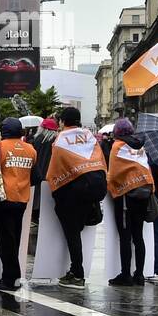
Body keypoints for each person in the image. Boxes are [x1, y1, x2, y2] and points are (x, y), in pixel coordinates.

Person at [45, 107, 107, 289]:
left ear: (63, 121)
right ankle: (77, 271)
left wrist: (55, 192)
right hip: (92, 188)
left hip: (73, 191)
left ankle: (77, 273)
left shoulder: (61, 139)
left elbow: (55, 169)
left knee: (72, 234)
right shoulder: (89, 136)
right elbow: (100, 160)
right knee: (76, 233)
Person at [0, 117, 36, 293]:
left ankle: (10, 279)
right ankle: (13, 277)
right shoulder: (30, 149)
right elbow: (36, 177)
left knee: (5, 241)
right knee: (14, 239)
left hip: (2, 200)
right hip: (22, 199)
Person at [102, 117, 154, 286]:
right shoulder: (140, 146)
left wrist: (109, 188)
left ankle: (126, 275)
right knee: (138, 236)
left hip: (126, 195)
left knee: (125, 236)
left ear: (117, 132)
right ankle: (139, 274)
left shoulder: (117, 146)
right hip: (144, 192)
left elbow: (114, 174)